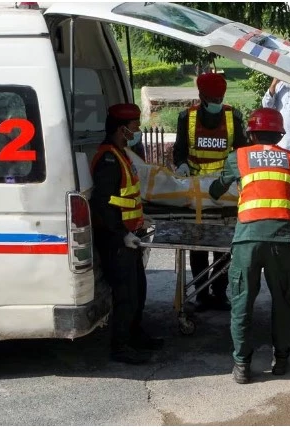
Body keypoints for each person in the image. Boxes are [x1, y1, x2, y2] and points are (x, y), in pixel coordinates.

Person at [209, 108, 290, 384]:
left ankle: (242, 365)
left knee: (242, 301)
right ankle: (282, 360)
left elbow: (216, 190)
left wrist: (218, 190)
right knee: (283, 301)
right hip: (283, 239)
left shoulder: (238, 157)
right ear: (279, 134)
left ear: (250, 133)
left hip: (247, 239)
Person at [90, 103, 164, 365]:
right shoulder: (108, 158)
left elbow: (128, 197)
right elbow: (103, 202)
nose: (137, 130)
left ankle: (135, 335)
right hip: (116, 239)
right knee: (126, 295)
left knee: (138, 290)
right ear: (122, 128)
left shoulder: (121, 154)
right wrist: (121, 233)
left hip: (131, 235)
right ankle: (120, 346)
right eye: (134, 126)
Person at [173, 72, 248, 312]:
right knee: (198, 246)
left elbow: (242, 151)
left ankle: (220, 292)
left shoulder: (233, 116)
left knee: (224, 247)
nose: (217, 101)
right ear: (201, 95)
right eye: (212, 97)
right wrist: (182, 164)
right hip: (197, 191)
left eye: (220, 97)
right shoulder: (187, 117)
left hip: (224, 191)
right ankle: (201, 293)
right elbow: (179, 150)